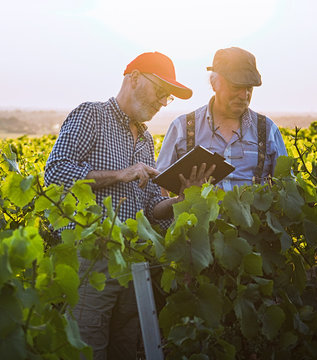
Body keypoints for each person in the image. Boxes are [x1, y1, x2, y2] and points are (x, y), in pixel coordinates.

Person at [44, 51, 215, 360]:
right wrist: (120, 175)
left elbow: (151, 209)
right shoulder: (91, 115)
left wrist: (180, 199)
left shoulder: (146, 140)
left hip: (133, 263)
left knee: (124, 350)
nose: (163, 102)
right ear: (134, 78)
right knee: (87, 349)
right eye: (160, 92)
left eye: (168, 98)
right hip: (91, 258)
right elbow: (56, 173)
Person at [156, 47, 288, 192]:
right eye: (236, 87)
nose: (244, 96)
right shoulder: (182, 128)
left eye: (249, 88)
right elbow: (158, 190)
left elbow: (286, 187)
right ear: (214, 84)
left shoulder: (268, 130)